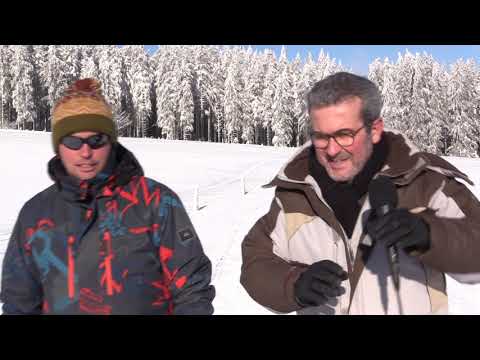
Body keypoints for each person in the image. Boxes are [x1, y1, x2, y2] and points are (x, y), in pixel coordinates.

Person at [240, 72, 480, 315]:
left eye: (344, 135)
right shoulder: (296, 190)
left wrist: (430, 234)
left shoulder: (426, 182)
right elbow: (255, 262)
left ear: (374, 129)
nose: (332, 150)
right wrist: (294, 284)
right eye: (320, 137)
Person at [1, 78, 215, 315]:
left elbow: (192, 290)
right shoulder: (35, 214)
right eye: (73, 141)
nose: (85, 152)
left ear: (111, 142)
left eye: (96, 140)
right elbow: (18, 302)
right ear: (58, 146)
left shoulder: (155, 202)